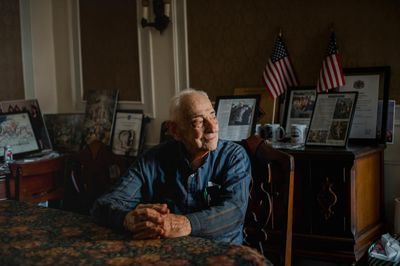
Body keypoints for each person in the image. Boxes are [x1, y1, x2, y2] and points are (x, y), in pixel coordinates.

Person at [91, 88, 251, 244]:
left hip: (222, 252)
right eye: (199, 122)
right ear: (175, 130)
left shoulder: (233, 156)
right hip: (168, 253)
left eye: (213, 115)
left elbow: (234, 211)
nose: (213, 127)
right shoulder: (153, 159)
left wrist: (183, 224)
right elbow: (103, 206)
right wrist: (128, 219)